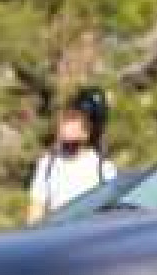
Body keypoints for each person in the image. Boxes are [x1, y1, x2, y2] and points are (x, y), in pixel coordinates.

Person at [27, 89, 117, 223]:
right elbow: (35, 213)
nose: (68, 124)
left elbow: (110, 216)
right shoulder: (48, 164)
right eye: (69, 118)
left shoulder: (104, 169)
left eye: (76, 120)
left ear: (90, 130)